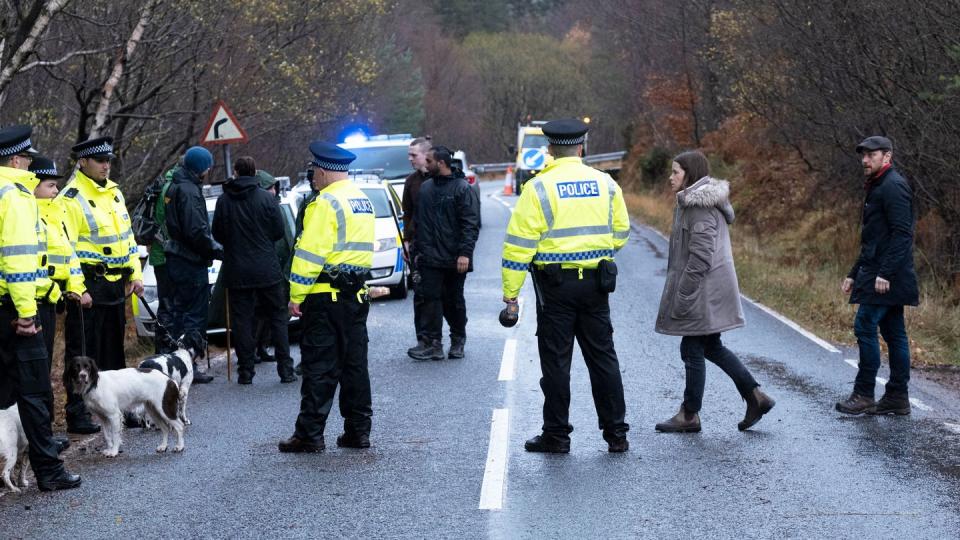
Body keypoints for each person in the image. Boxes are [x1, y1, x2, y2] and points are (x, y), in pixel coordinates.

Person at [500, 118, 630, 453]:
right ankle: (616, 434)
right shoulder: (605, 183)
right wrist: (599, 253)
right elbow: (621, 231)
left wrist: (511, 295)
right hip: (597, 284)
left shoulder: (539, 188)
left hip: (555, 287)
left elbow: (518, 246)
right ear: (582, 145)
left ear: (550, 149)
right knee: (603, 358)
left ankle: (557, 435)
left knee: (556, 361)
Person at [653, 150, 775, 433]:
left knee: (692, 347)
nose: (670, 178)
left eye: (676, 172)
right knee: (710, 346)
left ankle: (689, 414)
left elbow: (700, 257)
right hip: (707, 289)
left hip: (703, 291)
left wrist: (683, 294)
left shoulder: (698, 206)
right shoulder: (691, 202)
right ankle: (755, 396)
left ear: (690, 175)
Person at [279, 141, 374, 453]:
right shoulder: (362, 200)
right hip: (356, 296)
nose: (313, 179)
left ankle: (309, 434)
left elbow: (309, 255)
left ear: (321, 171)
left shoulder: (324, 203)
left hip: (325, 296)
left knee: (319, 366)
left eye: (314, 173)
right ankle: (358, 431)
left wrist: (296, 294)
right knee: (355, 365)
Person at [0, 125, 81, 490]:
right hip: (15, 310)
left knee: (2, 393)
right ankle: (48, 470)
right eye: (28, 161)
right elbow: (17, 259)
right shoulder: (15, 196)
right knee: (33, 393)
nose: (32, 168)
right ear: (16, 160)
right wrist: (26, 314)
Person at [58, 136, 143, 432]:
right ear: (83, 162)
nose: (106, 165)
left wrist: (135, 273)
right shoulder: (70, 198)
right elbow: (65, 248)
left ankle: (120, 407)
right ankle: (78, 412)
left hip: (115, 284)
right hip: (88, 285)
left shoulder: (115, 194)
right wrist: (78, 288)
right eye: (99, 161)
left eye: (108, 160)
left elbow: (128, 238)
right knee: (83, 351)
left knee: (114, 350)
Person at [836, 136, 919, 416]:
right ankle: (897, 396)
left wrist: (885, 273)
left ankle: (864, 393)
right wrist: (853, 273)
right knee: (894, 333)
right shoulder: (879, 185)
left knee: (865, 326)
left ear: (887, 156)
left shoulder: (893, 187)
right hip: (878, 272)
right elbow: (874, 239)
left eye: (871, 155)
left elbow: (902, 234)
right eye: (863, 155)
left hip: (885, 276)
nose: (865, 160)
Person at [212, 156, 295, 384]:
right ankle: (285, 369)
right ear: (255, 173)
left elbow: (217, 233)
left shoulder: (224, 201)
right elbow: (278, 231)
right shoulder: (267, 200)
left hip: (237, 269)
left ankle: (246, 371)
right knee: (278, 317)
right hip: (267, 268)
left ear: (236, 173)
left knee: (242, 321)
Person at [28, 156, 89, 451]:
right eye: (51, 185)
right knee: (37, 370)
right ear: (34, 184)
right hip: (37, 299)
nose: (55, 190)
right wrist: (54, 288)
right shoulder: (29, 213)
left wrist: (75, 286)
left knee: (46, 364)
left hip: (55, 299)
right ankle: (40, 434)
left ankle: (46, 432)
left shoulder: (55, 212)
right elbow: (28, 261)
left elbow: (70, 257)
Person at [407, 146, 480, 360]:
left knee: (453, 300)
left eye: (429, 161)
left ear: (440, 163)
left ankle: (458, 340)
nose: (425, 165)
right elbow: (418, 222)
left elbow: (470, 224)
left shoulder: (461, 188)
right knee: (430, 299)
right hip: (429, 257)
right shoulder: (426, 188)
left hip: (455, 258)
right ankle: (433, 344)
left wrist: (465, 253)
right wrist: (414, 248)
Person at [161, 146, 220, 383]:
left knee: (179, 315)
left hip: (177, 258)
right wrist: (216, 250)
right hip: (190, 261)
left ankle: (176, 366)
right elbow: (196, 231)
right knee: (194, 317)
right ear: (201, 168)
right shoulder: (188, 190)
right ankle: (189, 366)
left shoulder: (175, 185)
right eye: (207, 166)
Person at [252, 169, 294, 369]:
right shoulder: (260, 207)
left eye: (273, 188)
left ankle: (264, 347)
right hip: (265, 268)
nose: (273, 191)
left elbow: (286, 237)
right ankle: (256, 349)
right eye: (269, 188)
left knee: (273, 315)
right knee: (260, 313)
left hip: (277, 267)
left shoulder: (278, 207)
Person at [401, 137, 431, 353]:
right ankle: (423, 339)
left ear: (426, 155)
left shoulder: (440, 179)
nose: (410, 159)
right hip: (417, 246)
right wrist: (406, 242)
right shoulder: (411, 182)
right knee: (419, 294)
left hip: (439, 246)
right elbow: (407, 214)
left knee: (445, 296)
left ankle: (452, 338)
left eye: (414, 155)